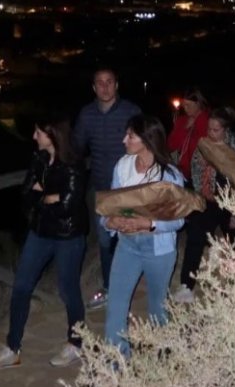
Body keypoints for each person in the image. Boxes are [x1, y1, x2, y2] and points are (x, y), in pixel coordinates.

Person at [0, 118, 88, 370]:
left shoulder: (73, 165)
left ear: (53, 135)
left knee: (68, 289)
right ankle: (13, 347)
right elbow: (25, 195)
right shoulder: (39, 159)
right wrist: (49, 197)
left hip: (68, 235)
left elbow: (68, 207)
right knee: (21, 286)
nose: (34, 137)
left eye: (38, 132)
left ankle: (76, 343)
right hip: (40, 232)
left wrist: (43, 196)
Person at [102, 115, 187, 357]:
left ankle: (162, 364)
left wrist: (149, 224)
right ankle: (116, 366)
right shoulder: (123, 165)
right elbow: (111, 205)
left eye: (131, 135)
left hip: (157, 250)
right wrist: (110, 222)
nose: (124, 140)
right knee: (115, 307)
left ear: (147, 140)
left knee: (158, 309)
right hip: (127, 246)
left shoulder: (169, 176)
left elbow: (178, 220)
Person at [72, 67, 142, 310]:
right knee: (104, 241)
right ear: (93, 87)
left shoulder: (131, 111)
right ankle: (110, 287)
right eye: (99, 82)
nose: (104, 86)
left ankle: (133, 284)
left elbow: (147, 143)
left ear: (117, 84)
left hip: (130, 187)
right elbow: (76, 149)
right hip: (101, 188)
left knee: (133, 236)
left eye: (109, 82)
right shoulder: (86, 114)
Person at [173, 105, 235, 303]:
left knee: (234, 244)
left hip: (229, 202)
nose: (210, 133)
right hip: (207, 200)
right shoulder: (203, 145)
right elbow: (194, 171)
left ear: (226, 130)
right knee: (195, 239)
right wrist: (199, 195)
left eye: (215, 130)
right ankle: (186, 285)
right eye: (209, 129)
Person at [166, 88, 210, 183]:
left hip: (201, 173)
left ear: (198, 103)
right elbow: (171, 145)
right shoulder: (182, 121)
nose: (185, 109)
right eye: (184, 105)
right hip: (182, 171)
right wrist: (184, 129)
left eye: (188, 105)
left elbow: (204, 146)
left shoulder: (208, 121)